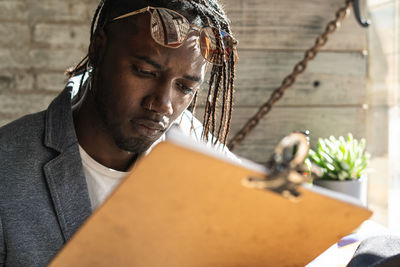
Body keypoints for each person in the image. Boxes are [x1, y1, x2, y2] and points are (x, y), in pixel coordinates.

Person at [0, 0, 237, 266]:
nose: (163, 103)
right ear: (98, 50)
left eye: (184, 88)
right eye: (145, 72)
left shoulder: (203, 158)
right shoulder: (7, 168)